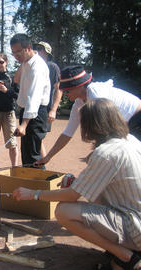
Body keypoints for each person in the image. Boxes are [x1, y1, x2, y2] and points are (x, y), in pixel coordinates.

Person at [13, 98, 141, 270]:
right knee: (92, 196)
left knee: (64, 211)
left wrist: (33, 194)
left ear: (91, 125)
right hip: (135, 216)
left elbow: (72, 195)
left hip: (135, 227)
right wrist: (78, 183)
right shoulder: (131, 141)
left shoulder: (106, 153)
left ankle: (125, 256)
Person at [35, 65, 141, 167]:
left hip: (137, 119)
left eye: (68, 90)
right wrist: (48, 156)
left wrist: (97, 152)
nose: (65, 94)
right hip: (126, 124)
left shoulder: (95, 94)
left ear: (80, 86)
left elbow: (106, 129)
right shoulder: (79, 102)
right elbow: (68, 133)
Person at [10, 33, 50, 167]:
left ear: (28, 48)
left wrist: (24, 125)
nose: (16, 56)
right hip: (26, 113)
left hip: (36, 114)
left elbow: (34, 97)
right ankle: (29, 184)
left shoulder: (37, 67)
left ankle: (40, 186)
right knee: (26, 154)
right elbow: (16, 80)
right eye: (13, 53)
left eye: (18, 52)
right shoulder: (26, 63)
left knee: (33, 155)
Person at [34, 41, 62, 157]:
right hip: (34, 108)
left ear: (47, 53)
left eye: (40, 49)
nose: (36, 50)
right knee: (35, 138)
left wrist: (53, 110)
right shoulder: (33, 66)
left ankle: (42, 166)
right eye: (36, 48)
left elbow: (58, 89)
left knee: (38, 137)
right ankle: (38, 165)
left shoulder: (52, 67)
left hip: (45, 109)